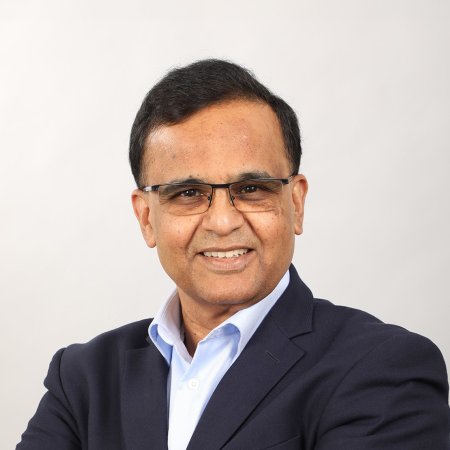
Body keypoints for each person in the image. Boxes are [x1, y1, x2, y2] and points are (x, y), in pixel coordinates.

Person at [17, 59, 449, 450]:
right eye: (188, 193)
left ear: (295, 204)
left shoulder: (383, 368)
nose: (223, 222)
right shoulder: (83, 380)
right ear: (146, 217)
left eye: (251, 189)